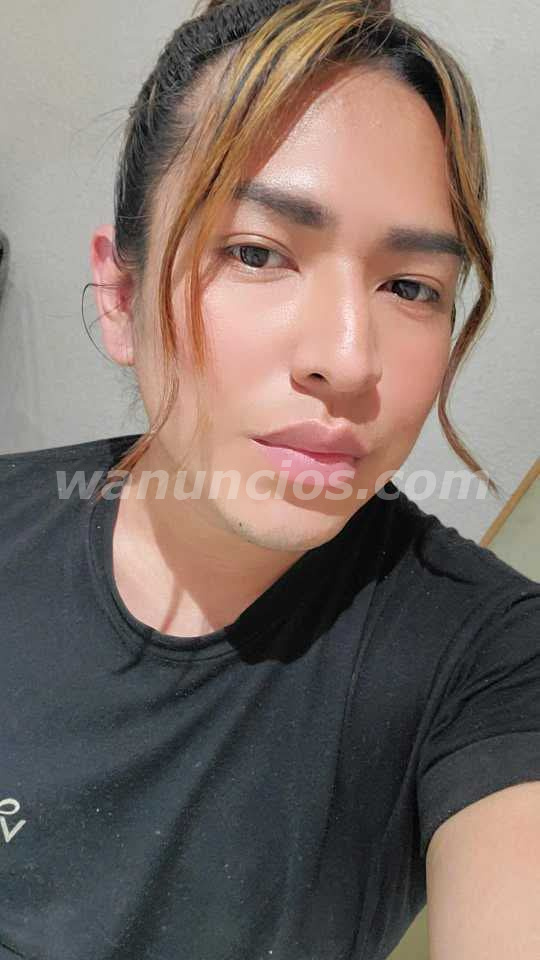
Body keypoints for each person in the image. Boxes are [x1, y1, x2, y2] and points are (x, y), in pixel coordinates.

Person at [1, 0, 539, 958]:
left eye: (410, 286)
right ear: (120, 296)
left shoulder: (490, 660)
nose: (349, 358)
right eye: (257, 253)